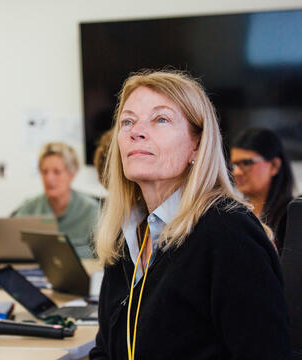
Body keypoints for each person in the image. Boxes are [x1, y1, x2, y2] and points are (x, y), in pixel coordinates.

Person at [89, 70, 291, 359]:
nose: (136, 131)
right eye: (128, 121)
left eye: (161, 119)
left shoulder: (228, 233)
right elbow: (105, 350)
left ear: (196, 144)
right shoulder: (126, 237)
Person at [12, 142, 99, 258]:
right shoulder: (28, 209)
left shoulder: (91, 210)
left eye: (57, 172)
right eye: (44, 172)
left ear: (72, 173)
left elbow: (102, 257)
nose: (49, 178)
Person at [230, 128, 295, 254]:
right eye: (235, 165)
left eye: (246, 163)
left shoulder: (292, 215)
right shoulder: (233, 212)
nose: (237, 172)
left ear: (274, 166)